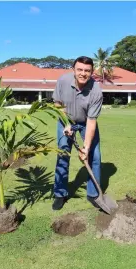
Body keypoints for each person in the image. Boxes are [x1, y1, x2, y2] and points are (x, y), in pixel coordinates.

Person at [52, 56, 103, 210]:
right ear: (73, 70)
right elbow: (57, 104)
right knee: (63, 155)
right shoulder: (63, 81)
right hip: (65, 121)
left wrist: (86, 147)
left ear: (92, 72)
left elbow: (92, 121)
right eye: (79, 69)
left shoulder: (96, 91)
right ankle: (60, 194)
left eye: (87, 70)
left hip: (86, 123)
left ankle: (93, 194)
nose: (83, 73)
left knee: (94, 156)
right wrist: (66, 123)